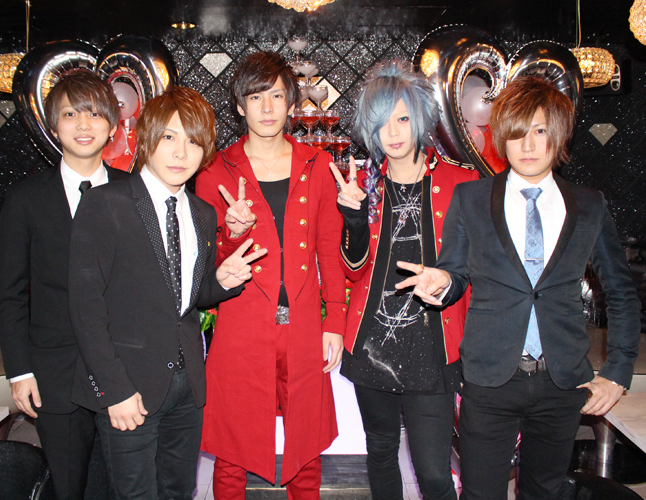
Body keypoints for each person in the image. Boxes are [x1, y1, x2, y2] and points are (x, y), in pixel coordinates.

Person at [398, 76, 641, 500]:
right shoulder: (471, 199)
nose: (528, 145)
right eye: (517, 133)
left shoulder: (589, 204)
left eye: (540, 131)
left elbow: (621, 291)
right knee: (480, 493)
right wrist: (442, 283)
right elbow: (455, 275)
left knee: (544, 492)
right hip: (490, 378)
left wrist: (617, 373)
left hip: (562, 380)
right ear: (502, 138)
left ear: (559, 136)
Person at [67, 86, 266, 500]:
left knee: (179, 491)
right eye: (169, 137)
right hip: (128, 386)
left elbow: (185, 298)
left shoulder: (202, 213)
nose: (180, 152)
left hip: (186, 387)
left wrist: (222, 281)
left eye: (193, 141)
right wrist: (114, 390)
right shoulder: (105, 203)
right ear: (146, 139)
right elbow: (85, 308)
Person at [195, 51, 346, 499]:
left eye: (277, 96)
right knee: (231, 451)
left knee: (306, 448)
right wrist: (231, 234)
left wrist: (335, 321)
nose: (266, 107)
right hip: (241, 325)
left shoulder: (317, 165)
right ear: (239, 105)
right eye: (255, 97)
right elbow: (206, 266)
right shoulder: (214, 171)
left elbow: (328, 250)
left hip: (303, 324)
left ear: (291, 103)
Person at [330, 60, 477, 500]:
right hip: (372, 345)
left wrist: (446, 281)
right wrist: (354, 220)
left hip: (433, 347)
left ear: (421, 119)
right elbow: (353, 270)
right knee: (380, 453)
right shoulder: (363, 186)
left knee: (433, 472)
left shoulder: (460, 183)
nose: (391, 133)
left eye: (402, 119)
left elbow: (473, 270)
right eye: (380, 124)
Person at [0, 69, 126, 500]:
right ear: (53, 126)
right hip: (55, 372)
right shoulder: (25, 198)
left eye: (94, 113)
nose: (83, 124)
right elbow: (12, 295)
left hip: (124, 370)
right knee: (68, 487)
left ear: (113, 125)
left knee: (124, 487)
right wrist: (20, 371)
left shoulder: (135, 192)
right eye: (71, 114)